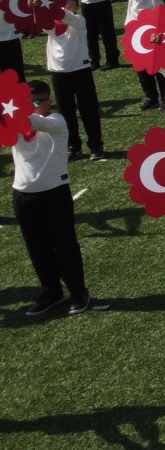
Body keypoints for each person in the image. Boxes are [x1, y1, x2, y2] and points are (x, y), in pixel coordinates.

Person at [12, 81, 93, 316]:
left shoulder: (56, 122)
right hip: (23, 194)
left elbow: (32, 121)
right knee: (37, 248)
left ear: (48, 102)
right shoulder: (16, 123)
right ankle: (52, 292)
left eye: (36, 102)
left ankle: (78, 292)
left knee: (65, 246)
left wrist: (12, 110)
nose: (31, 106)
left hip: (54, 193)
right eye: (26, 102)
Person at [46, 0, 104, 159]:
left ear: (77, 8)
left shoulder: (79, 21)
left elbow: (67, 17)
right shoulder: (52, 25)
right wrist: (37, 7)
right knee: (66, 112)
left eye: (70, 6)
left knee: (89, 110)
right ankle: (73, 146)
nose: (66, 9)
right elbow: (41, 23)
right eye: (64, 6)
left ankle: (96, 145)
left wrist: (53, 7)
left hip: (80, 70)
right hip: (58, 72)